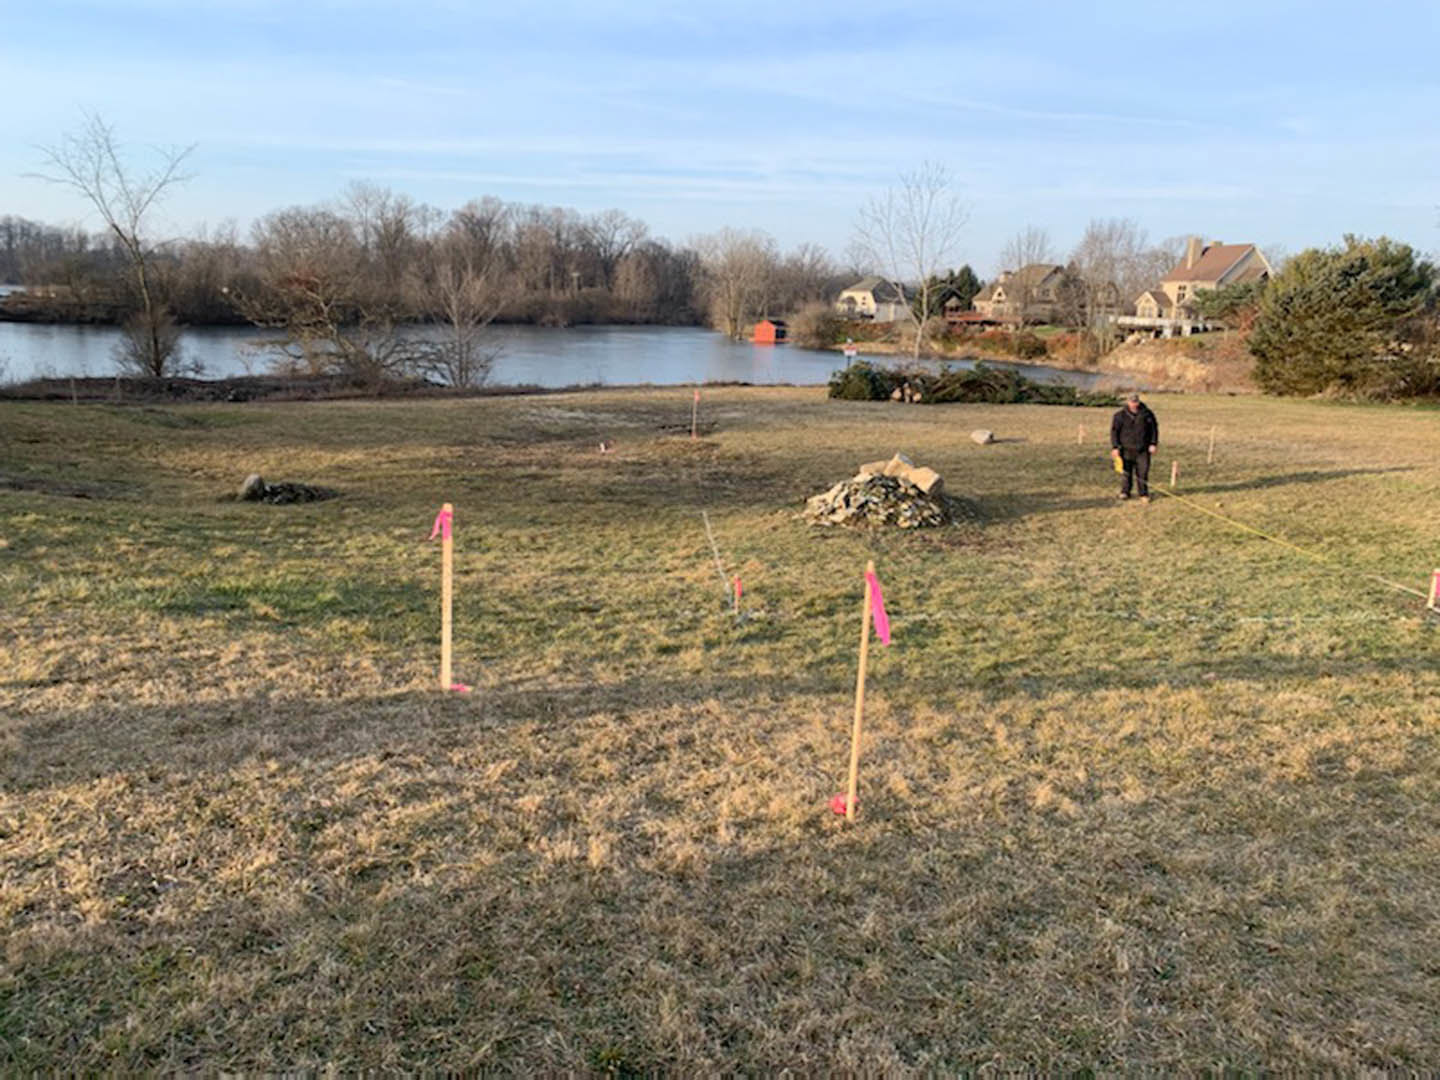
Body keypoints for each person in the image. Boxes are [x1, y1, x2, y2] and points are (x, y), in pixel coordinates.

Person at [1110, 392, 1158, 503]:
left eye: (1135, 402)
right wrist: (1115, 447)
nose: (1134, 404)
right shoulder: (1119, 416)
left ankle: (1143, 494)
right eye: (1131, 402)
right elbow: (1114, 432)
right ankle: (1125, 492)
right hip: (1126, 449)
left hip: (1143, 450)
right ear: (1128, 402)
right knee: (1126, 473)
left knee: (1143, 472)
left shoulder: (1147, 414)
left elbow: (1154, 430)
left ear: (1138, 402)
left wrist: (1153, 443)